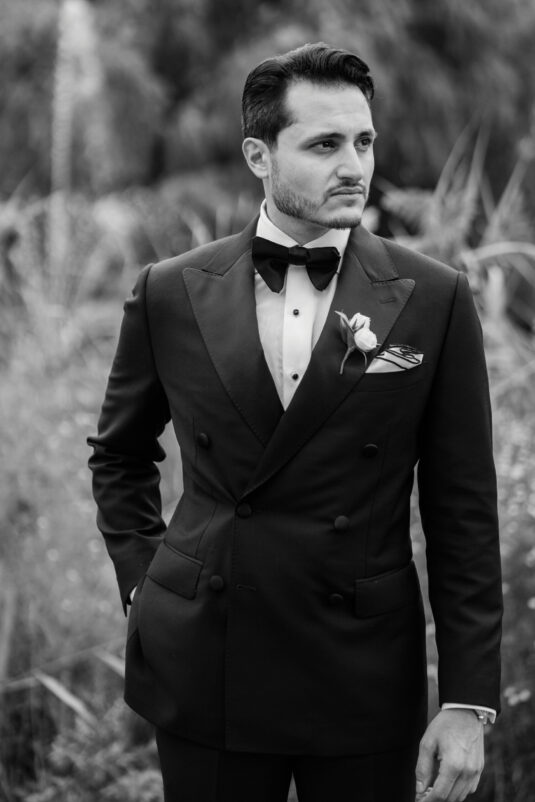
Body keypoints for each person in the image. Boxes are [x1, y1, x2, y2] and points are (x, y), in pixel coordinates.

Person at [88, 42, 502, 802]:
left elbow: (464, 508)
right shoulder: (170, 291)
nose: (354, 166)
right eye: (324, 145)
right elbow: (119, 454)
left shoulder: (433, 297)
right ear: (259, 155)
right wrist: (144, 586)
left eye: (363, 141)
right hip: (207, 657)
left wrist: (467, 700)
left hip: (360, 668)